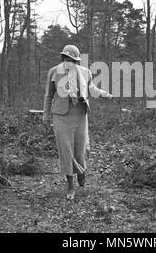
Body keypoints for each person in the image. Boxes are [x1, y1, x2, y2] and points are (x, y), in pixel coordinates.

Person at [42, 45, 112, 200]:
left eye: (72, 59)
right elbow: (48, 96)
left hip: (80, 114)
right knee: (65, 149)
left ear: (76, 61)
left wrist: (104, 94)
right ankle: (70, 185)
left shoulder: (85, 72)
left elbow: (92, 89)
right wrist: (46, 116)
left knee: (81, 148)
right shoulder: (54, 72)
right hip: (60, 115)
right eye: (66, 58)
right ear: (62, 58)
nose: (69, 62)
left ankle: (81, 170)